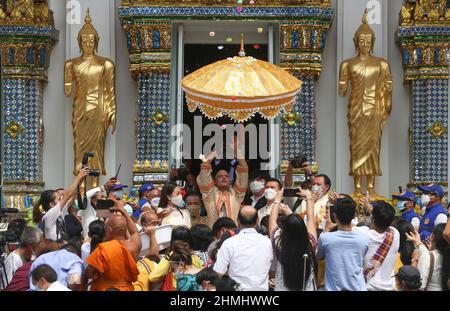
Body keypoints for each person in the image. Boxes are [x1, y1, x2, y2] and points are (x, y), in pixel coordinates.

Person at [338, 10, 393, 196]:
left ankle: (371, 188)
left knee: (373, 147)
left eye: (367, 41)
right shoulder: (347, 64)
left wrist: (385, 88)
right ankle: (357, 189)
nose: (364, 44)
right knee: (356, 146)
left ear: (372, 42)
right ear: (356, 42)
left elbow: (388, 84)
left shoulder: (382, 63)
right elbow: (343, 89)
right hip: (356, 109)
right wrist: (342, 83)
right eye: (361, 41)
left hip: (374, 109)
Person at [64, 9, 116, 188]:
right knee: (80, 148)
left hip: (99, 109)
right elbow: (67, 89)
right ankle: (81, 185)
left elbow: (110, 91)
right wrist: (68, 84)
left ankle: (94, 187)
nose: (88, 44)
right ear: (79, 42)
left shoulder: (106, 64)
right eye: (84, 41)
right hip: (80, 108)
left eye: (91, 41)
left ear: (96, 41)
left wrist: (113, 111)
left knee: (97, 148)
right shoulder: (71, 64)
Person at [83, 202, 141, 291]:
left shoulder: (103, 249)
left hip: (104, 288)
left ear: (109, 230)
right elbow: (135, 232)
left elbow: (89, 274)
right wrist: (123, 212)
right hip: (127, 288)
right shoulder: (134, 246)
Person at [269, 187, 318, 291]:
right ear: (304, 229)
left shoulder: (279, 243)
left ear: (284, 230)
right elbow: (310, 218)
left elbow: (272, 221)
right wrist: (308, 197)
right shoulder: (310, 244)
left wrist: (277, 199)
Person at [213, 206, 273, 291]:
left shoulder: (229, 243)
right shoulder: (268, 242)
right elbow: (273, 271)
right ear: (257, 221)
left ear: (238, 221)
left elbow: (218, 273)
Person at [317, 197, 369, 291]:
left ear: (335, 216)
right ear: (353, 216)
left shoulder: (325, 238)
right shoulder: (364, 238)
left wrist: (327, 229)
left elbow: (320, 257)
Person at [354, 200, 400, 291]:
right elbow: (382, 219)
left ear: (372, 219)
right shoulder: (395, 234)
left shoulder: (363, 233)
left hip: (368, 286)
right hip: (390, 287)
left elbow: (346, 224)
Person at [197, 150, 248, 228]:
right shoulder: (209, 193)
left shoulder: (236, 193)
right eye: (220, 176)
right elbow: (204, 170)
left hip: (232, 233)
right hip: (213, 232)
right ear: (215, 181)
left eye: (226, 176)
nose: (224, 177)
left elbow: (244, 169)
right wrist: (213, 153)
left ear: (229, 180)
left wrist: (236, 150)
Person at [37, 167, 89, 241]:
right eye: (59, 199)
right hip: (54, 248)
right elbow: (67, 195)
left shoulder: (60, 211)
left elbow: (72, 195)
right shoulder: (48, 215)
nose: (62, 199)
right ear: (51, 204)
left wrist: (80, 180)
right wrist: (78, 177)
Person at [149, 226, 203, 290]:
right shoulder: (195, 257)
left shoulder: (170, 257)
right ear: (190, 241)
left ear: (172, 241)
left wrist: (164, 276)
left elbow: (152, 277)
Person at [407, 223, 449, 291]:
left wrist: (415, 260)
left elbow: (420, 286)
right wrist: (418, 242)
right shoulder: (446, 255)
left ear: (432, 237)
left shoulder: (428, 256)